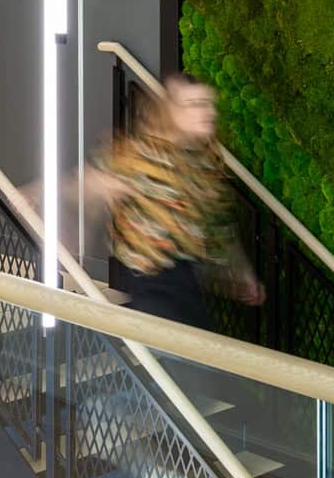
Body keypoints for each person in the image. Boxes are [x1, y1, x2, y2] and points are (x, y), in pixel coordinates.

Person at [83, 73, 262, 329]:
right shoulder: (141, 155)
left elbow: (220, 226)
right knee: (181, 358)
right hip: (150, 279)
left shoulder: (204, 161)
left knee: (200, 352)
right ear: (171, 111)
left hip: (187, 277)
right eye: (195, 104)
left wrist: (242, 272)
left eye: (209, 103)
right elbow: (89, 181)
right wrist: (36, 194)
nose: (208, 112)